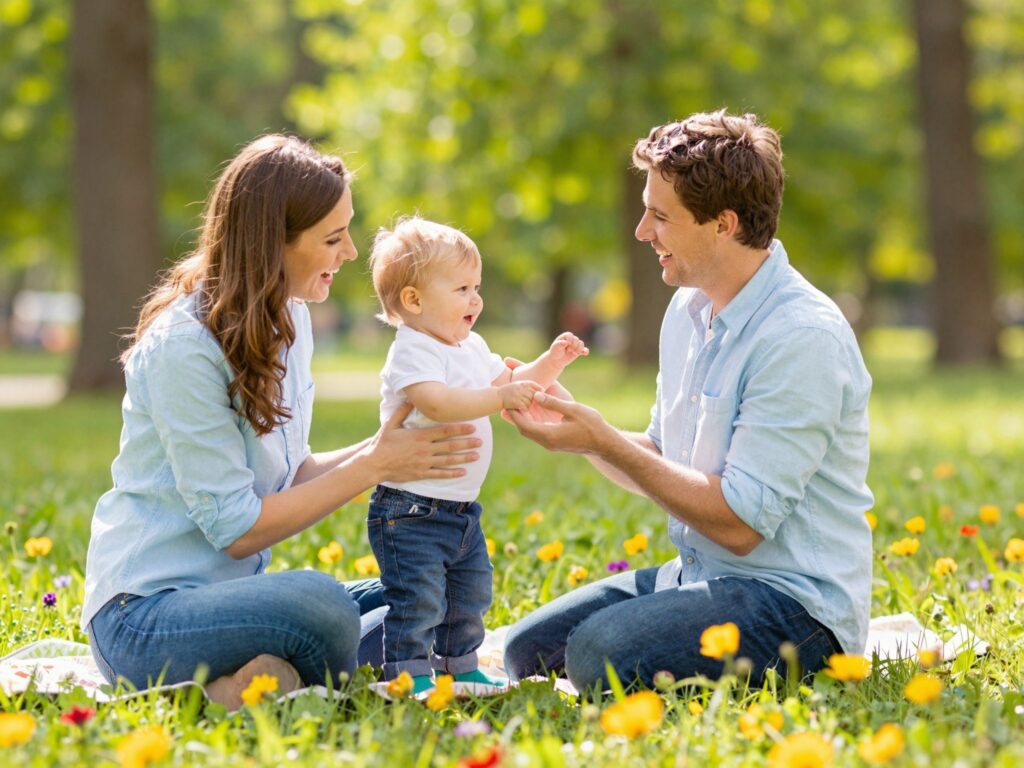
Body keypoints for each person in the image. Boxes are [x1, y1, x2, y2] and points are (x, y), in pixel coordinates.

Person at [81, 136, 482, 710]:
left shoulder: (289, 316)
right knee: (322, 606)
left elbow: (291, 474)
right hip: (144, 618)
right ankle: (250, 676)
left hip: (235, 600)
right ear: (275, 241)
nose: (348, 254)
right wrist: (376, 464)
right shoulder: (183, 348)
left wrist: (391, 445)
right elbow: (237, 528)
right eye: (331, 238)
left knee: (421, 599)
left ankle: (250, 682)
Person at [502, 110, 874, 692]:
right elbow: (659, 454)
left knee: (598, 652)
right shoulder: (689, 309)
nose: (642, 232)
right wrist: (572, 423)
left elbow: (740, 524)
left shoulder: (802, 338)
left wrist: (598, 437)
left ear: (723, 223)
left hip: (796, 608)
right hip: (701, 577)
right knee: (528, 650)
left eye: (660, 216)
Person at [367, 217, 588, 695]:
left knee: (468, 592)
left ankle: (460, 663)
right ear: (414, 300)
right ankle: (408, 673)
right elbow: (437, 403)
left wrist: (551, 363)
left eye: (477, 287)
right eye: (463, 288)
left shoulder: (471, 345)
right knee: (419, 598)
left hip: (460, 510)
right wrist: (498, 401)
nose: (476, 299)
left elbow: (505, 383)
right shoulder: (413, 350)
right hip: (409, 509)